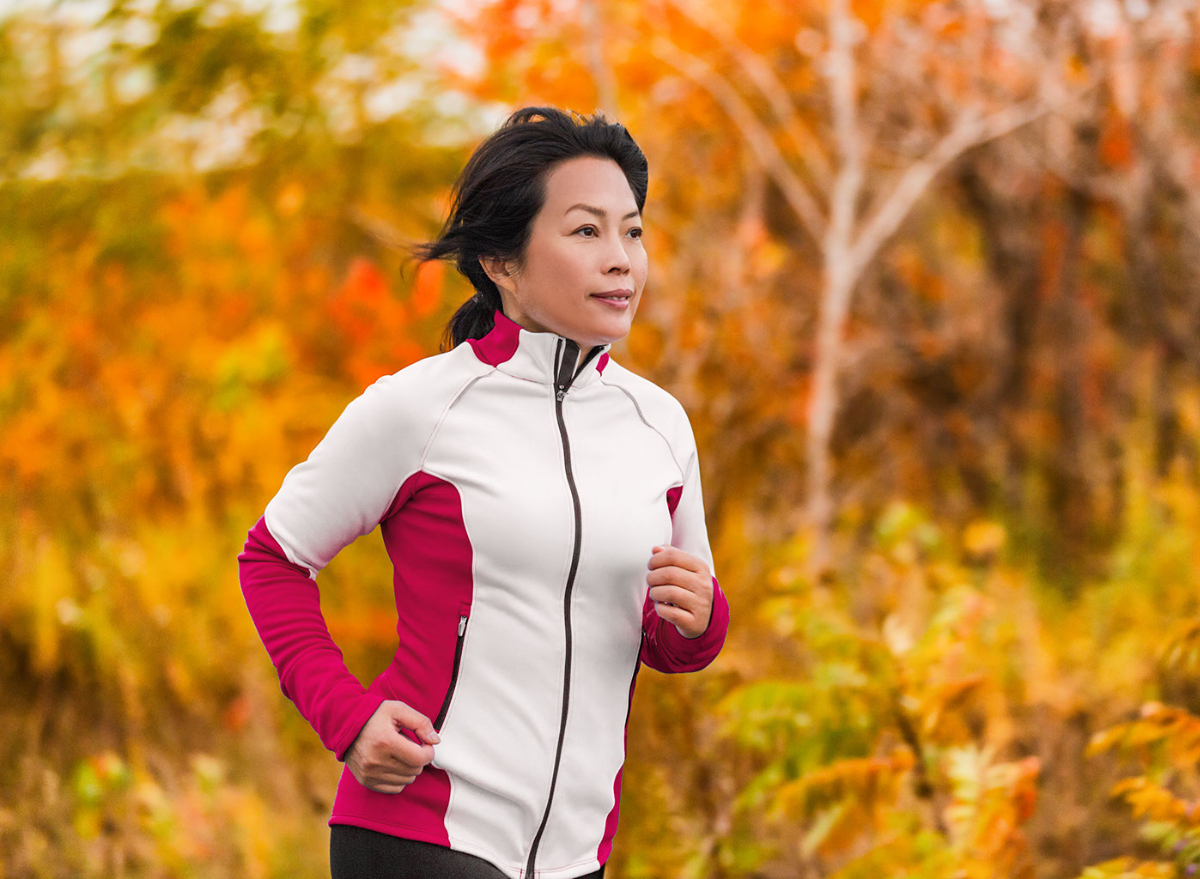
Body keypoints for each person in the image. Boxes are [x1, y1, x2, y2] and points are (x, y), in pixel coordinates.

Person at [237, 105, 731, 879]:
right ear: (501, 262)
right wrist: (348, 716)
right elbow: (272, 557)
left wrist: (700, 621)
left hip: (576, 851)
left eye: (632, 231)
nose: (621, 260)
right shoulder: (424, 407)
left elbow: (670, 637)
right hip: (423, 830)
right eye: (585, 231)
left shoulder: (659, 426)